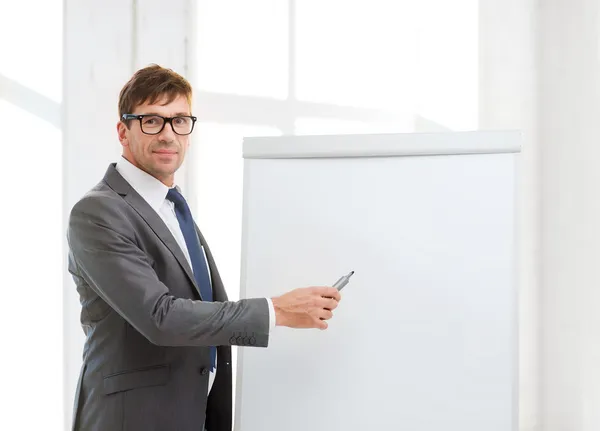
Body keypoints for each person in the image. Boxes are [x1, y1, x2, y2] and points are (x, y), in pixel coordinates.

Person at [67, 64, 342, 431]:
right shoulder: (99, 211)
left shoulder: (173, 208)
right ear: (123, 131)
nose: (168, 134)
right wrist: (275, 311)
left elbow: (201, 309)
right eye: (152, 121)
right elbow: (160, 317)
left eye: (180, 120)